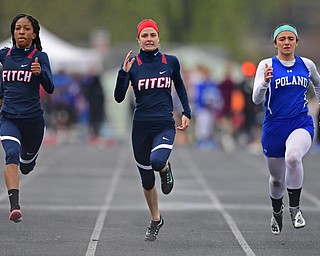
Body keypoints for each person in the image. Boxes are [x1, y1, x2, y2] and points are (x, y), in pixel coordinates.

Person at [114, 19, 191, 241]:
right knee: (147, 181)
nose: (149, 39)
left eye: (152, 35)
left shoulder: (171, 62)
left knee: (157, 161)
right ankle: (156, 219)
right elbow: (119, 98)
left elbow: (181, 88)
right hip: (140, 127)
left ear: (158, 38)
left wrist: (186, 112)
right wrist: (123, 73)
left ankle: (166, 168)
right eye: (144, 36)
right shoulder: (132, 64)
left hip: (164, 124)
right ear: (138, 39)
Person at [252, 24, 320, 235]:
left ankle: (295, 208)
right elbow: (256, 98)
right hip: (274, 127)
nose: (287, 42)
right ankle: (276, 210)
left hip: (300, 123)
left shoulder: (306, 65)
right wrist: (264, 82)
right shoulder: (266, 65)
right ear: (275, 43)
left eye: (291, 38)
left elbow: (317, 84)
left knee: (293, 157)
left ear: (297, 42)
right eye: (282, 39)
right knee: (277, 179)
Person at [0, 14, 55, 223]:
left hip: (32, 122)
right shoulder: (4, 56)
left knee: (26, 166)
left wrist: (40, 73)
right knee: (11, 155)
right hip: (8, 119)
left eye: (26, 29)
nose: (21, 32)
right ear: (13, 32)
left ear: (34, 33)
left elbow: (50, 88)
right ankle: (15, 206)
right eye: (17, 28)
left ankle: (30, 158)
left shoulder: (40, 57)